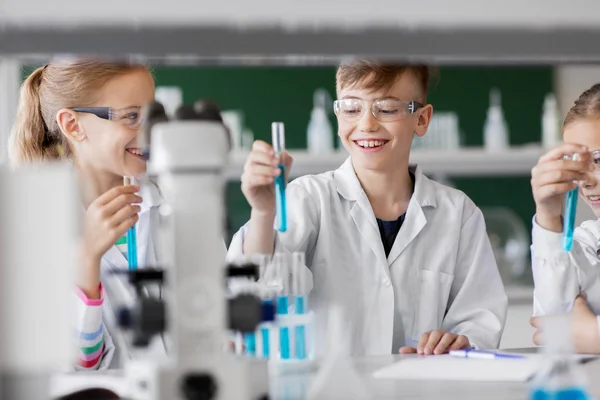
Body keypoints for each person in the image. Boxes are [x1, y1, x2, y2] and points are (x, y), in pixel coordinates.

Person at [227, 60, 507, 356]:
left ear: (422, 120)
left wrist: (458, 343)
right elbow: (253, 301)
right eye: (351, 108)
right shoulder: (309, 199)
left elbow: (480, 321)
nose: (367, 124)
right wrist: (262, 214)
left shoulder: (458, 213)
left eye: (386, 108)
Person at [9, 58, 161, 369]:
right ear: (73, 125)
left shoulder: (175, 203)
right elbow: (78, 365)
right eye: (132, 116)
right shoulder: (32, 230)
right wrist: (86, 259)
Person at [530, 82, 600, 351]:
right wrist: (548, 216)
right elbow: (553, 322)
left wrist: (594, 336)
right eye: (577, 163)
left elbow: (580, 335)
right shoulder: (587, 241)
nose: (586, 182)